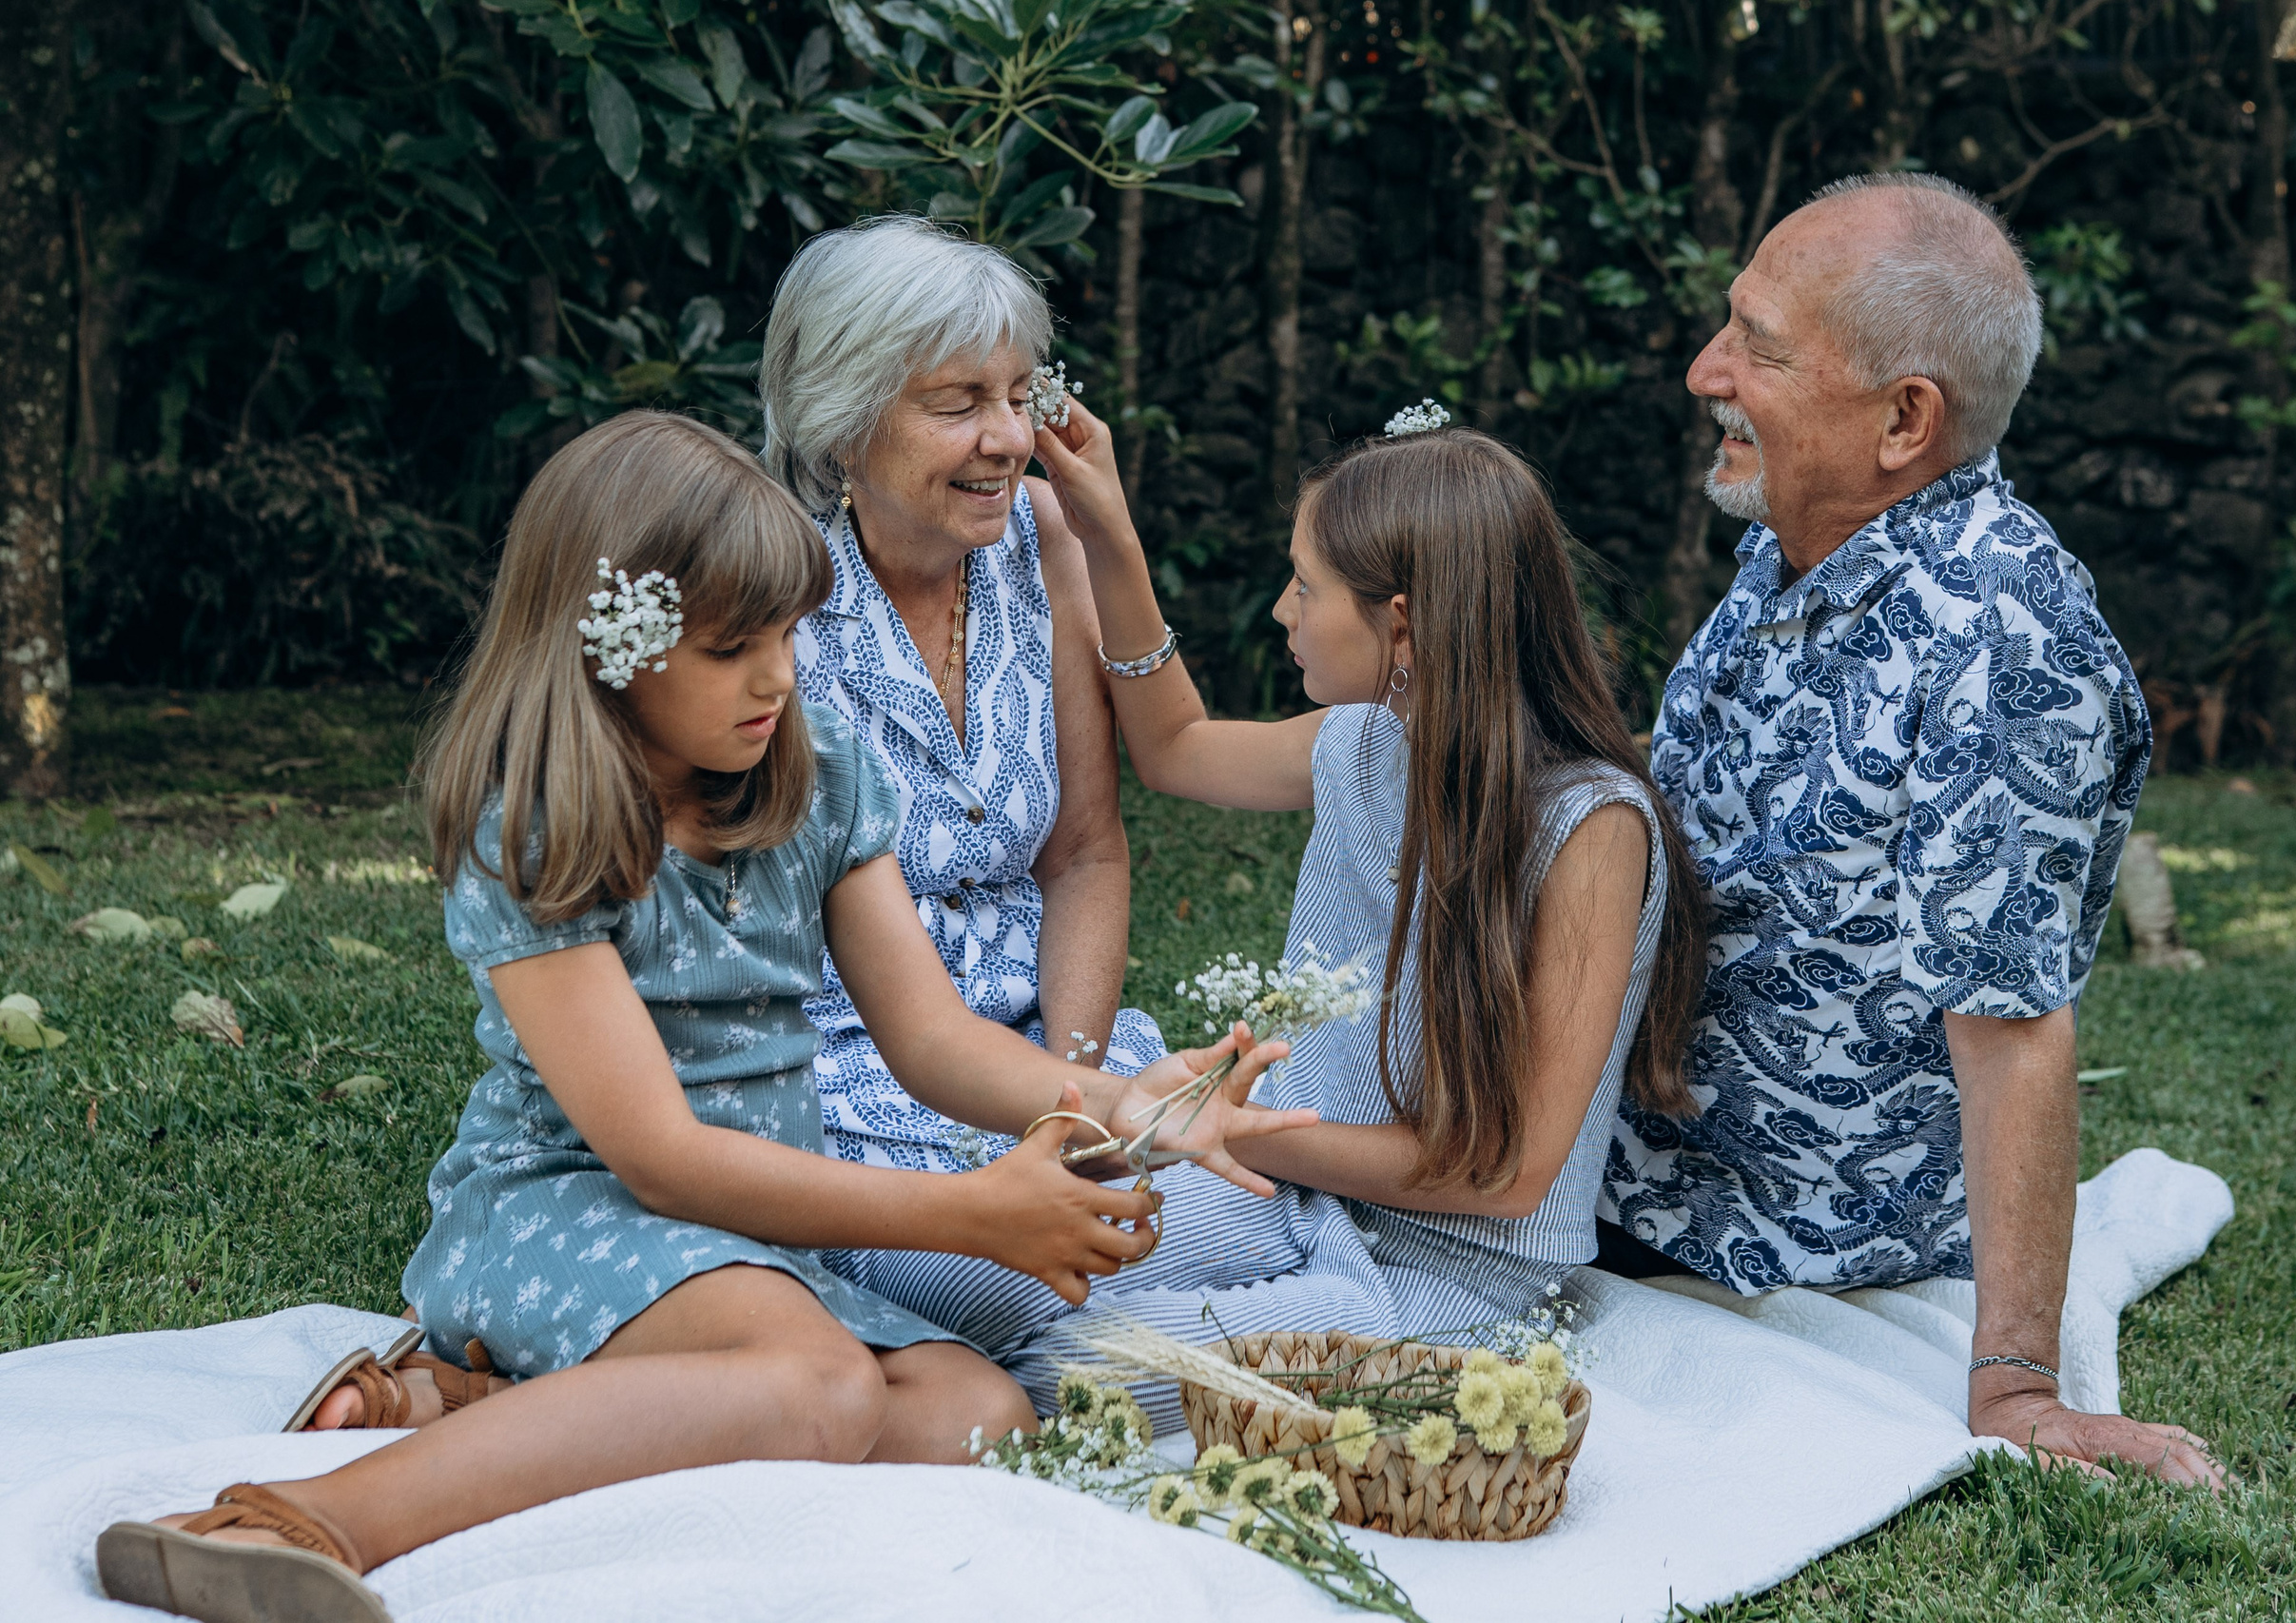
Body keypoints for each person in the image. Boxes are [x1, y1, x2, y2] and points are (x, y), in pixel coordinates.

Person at [94, 412, 1310, 1623]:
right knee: (817, 1387)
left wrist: (1126, 1103)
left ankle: (474, 1403)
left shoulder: (818, 773)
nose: (779, 675)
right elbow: (659, 1158)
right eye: (734, 647)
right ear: (609, 649)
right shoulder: (542, 832)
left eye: (787, 633)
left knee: (979, 1414)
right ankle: (300, 1516)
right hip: (564, 1205)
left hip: (750, 1230)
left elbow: (933, 1039)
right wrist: (968, 1214)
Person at [1599, 171, 2224, 1487]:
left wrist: (2017, 1384)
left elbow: (2013, 1029)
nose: (1707, 369)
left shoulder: (2004, 647)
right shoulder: (1802, 541)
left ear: (1903, 421)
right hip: (1629, 1158)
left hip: (1771, 1233)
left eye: (1759, 345)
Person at [916, 401, 1709, 1429]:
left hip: (1442, 1274)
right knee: (960, 1275)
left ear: (1401, 623)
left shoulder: (1590, 829)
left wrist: (1229, 1132)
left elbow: (1510, 1177)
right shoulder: (1363, 738)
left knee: (1070, 1373)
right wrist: (1106, 529)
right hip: (1288, 1191)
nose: (1281, 609)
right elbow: (1176, 748)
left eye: (1305, 584)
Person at [761, 217, 1164, 1200]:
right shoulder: (765, 589)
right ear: (842, 419)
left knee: (1258, 1202)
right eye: (958, 403)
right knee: (1070, 1257)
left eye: (1021, 397)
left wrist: (1071, 1089)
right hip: (843, 1068)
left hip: (1048, 1038)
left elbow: (1083, 852)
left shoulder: (1045, 535)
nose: (1013, 439)